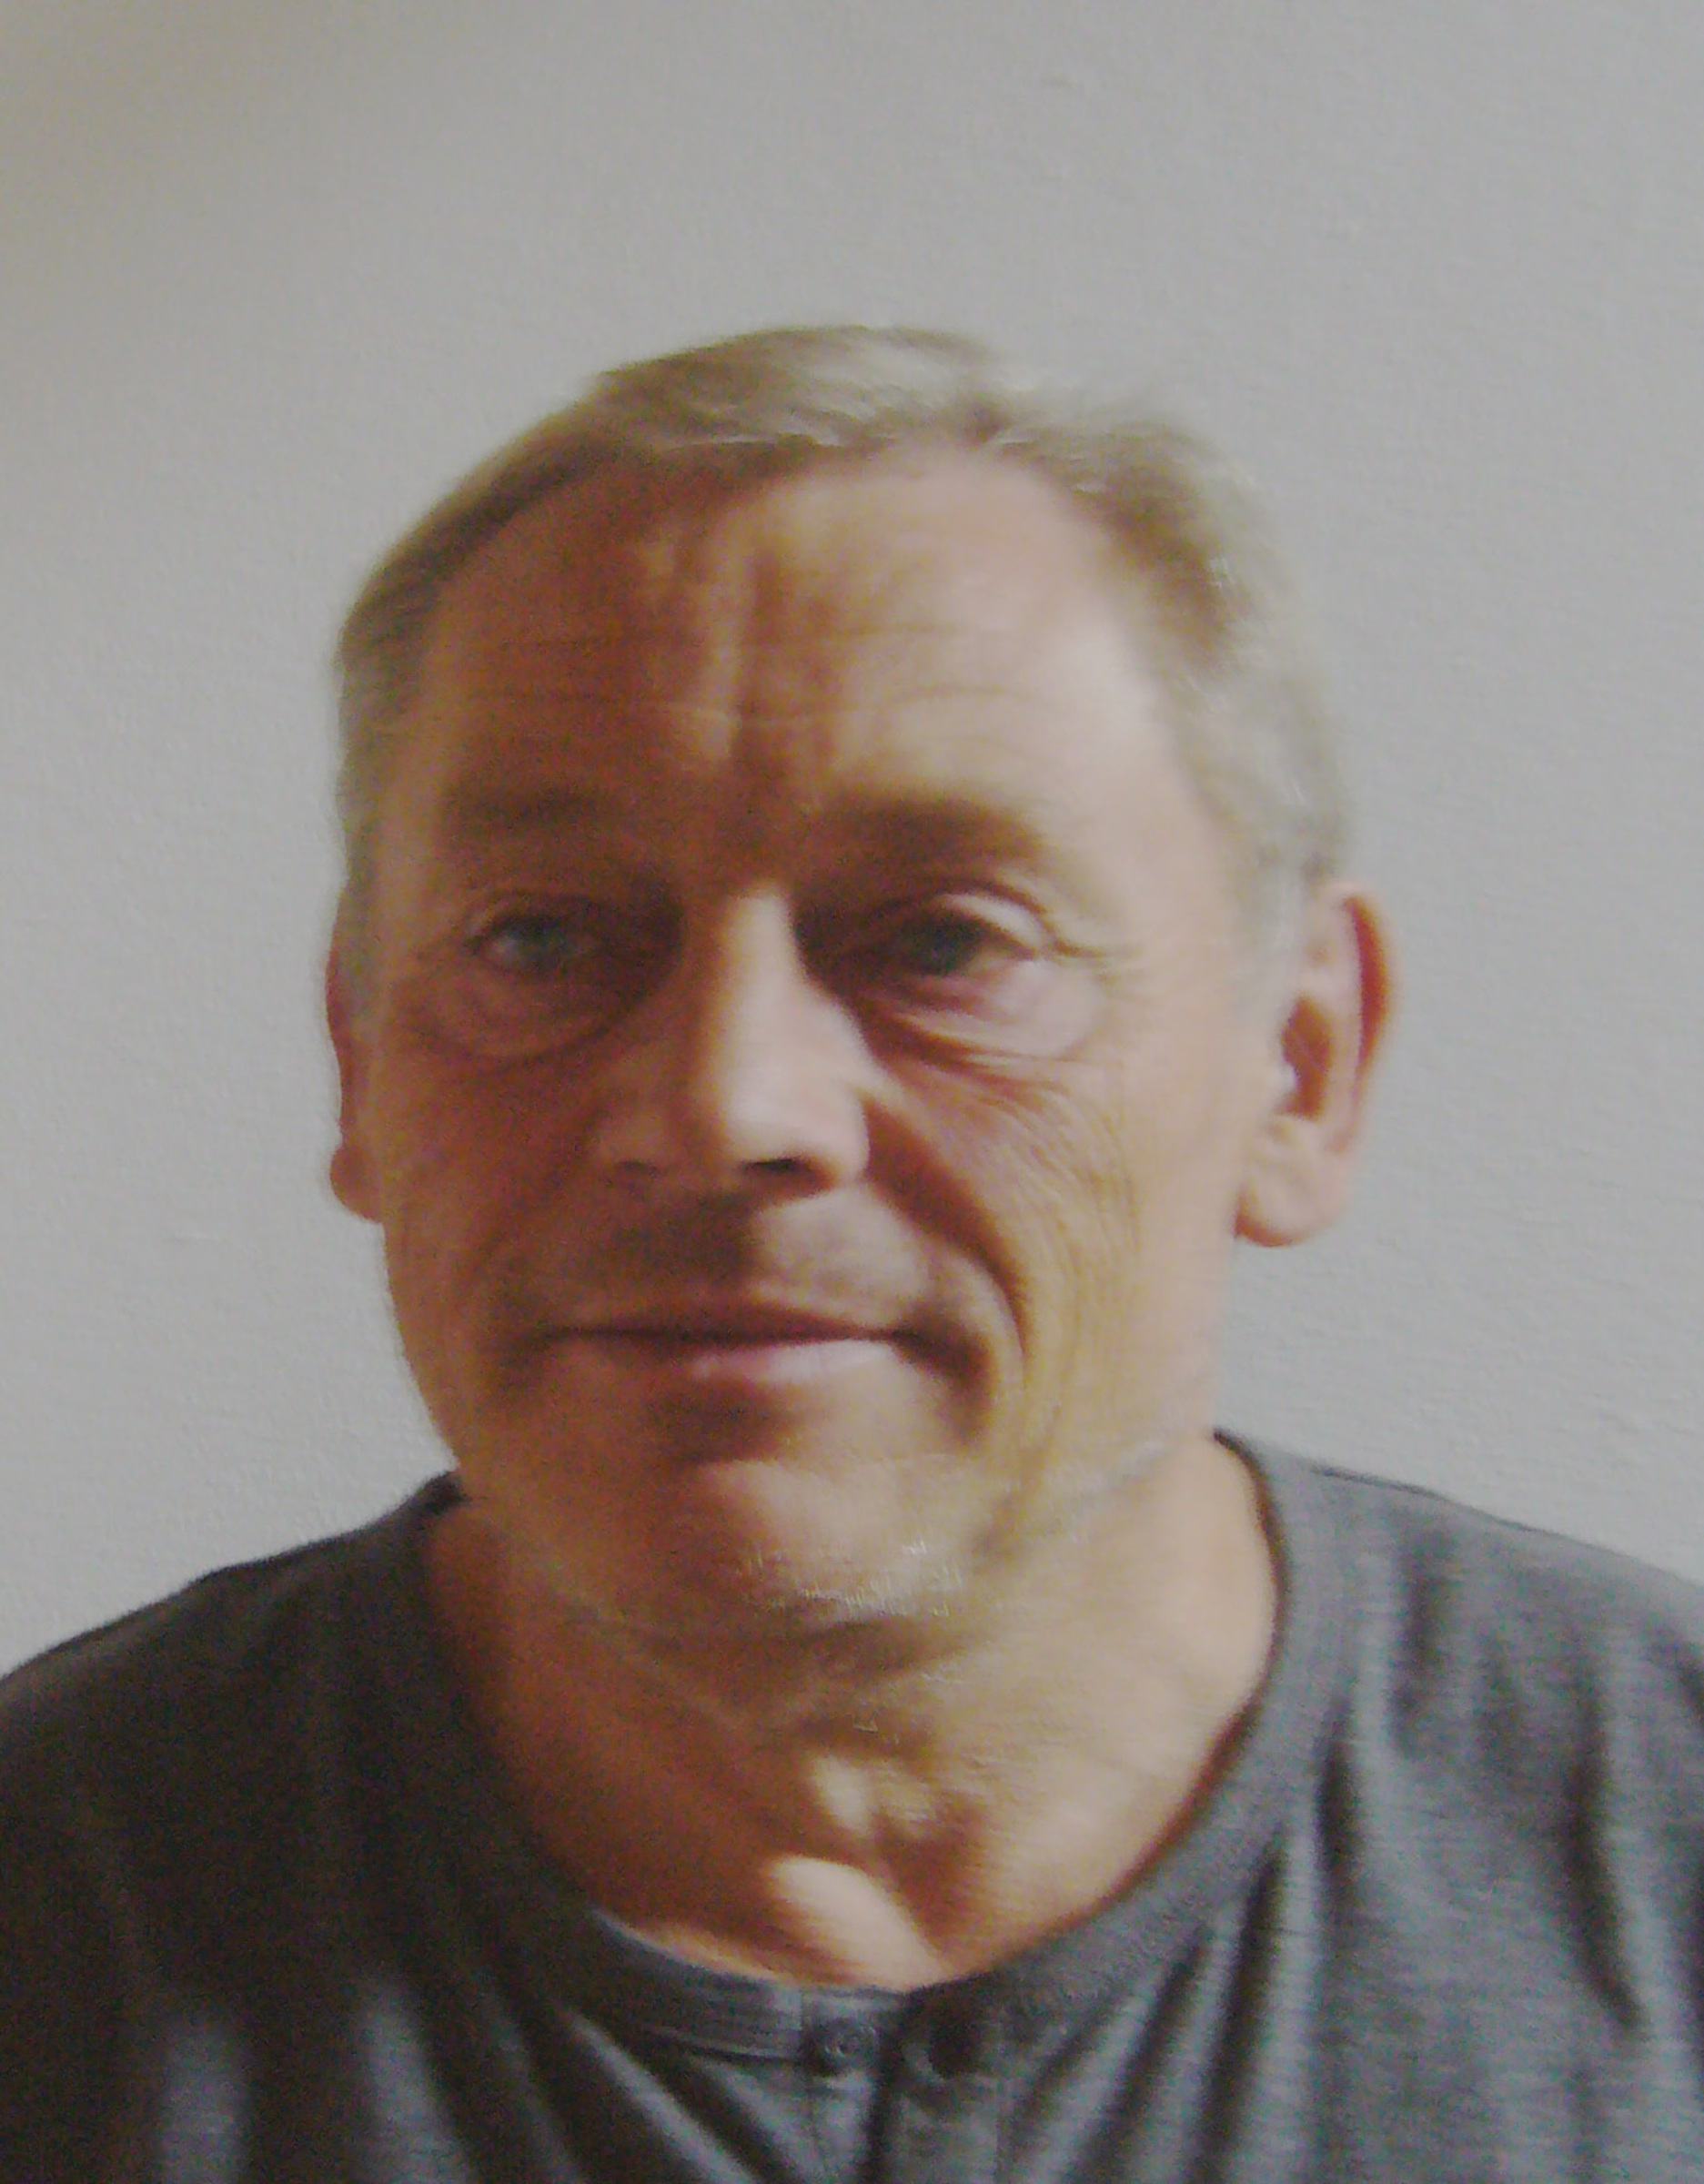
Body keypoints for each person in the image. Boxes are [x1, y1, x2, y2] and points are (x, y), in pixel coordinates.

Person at [3, 326, 1701, 2182]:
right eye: (543, 941)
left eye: (945, 943)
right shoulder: (65, 1897)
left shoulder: (1655, 1845)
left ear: (1298, 1064)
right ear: (357, 1061)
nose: (723, 1104)